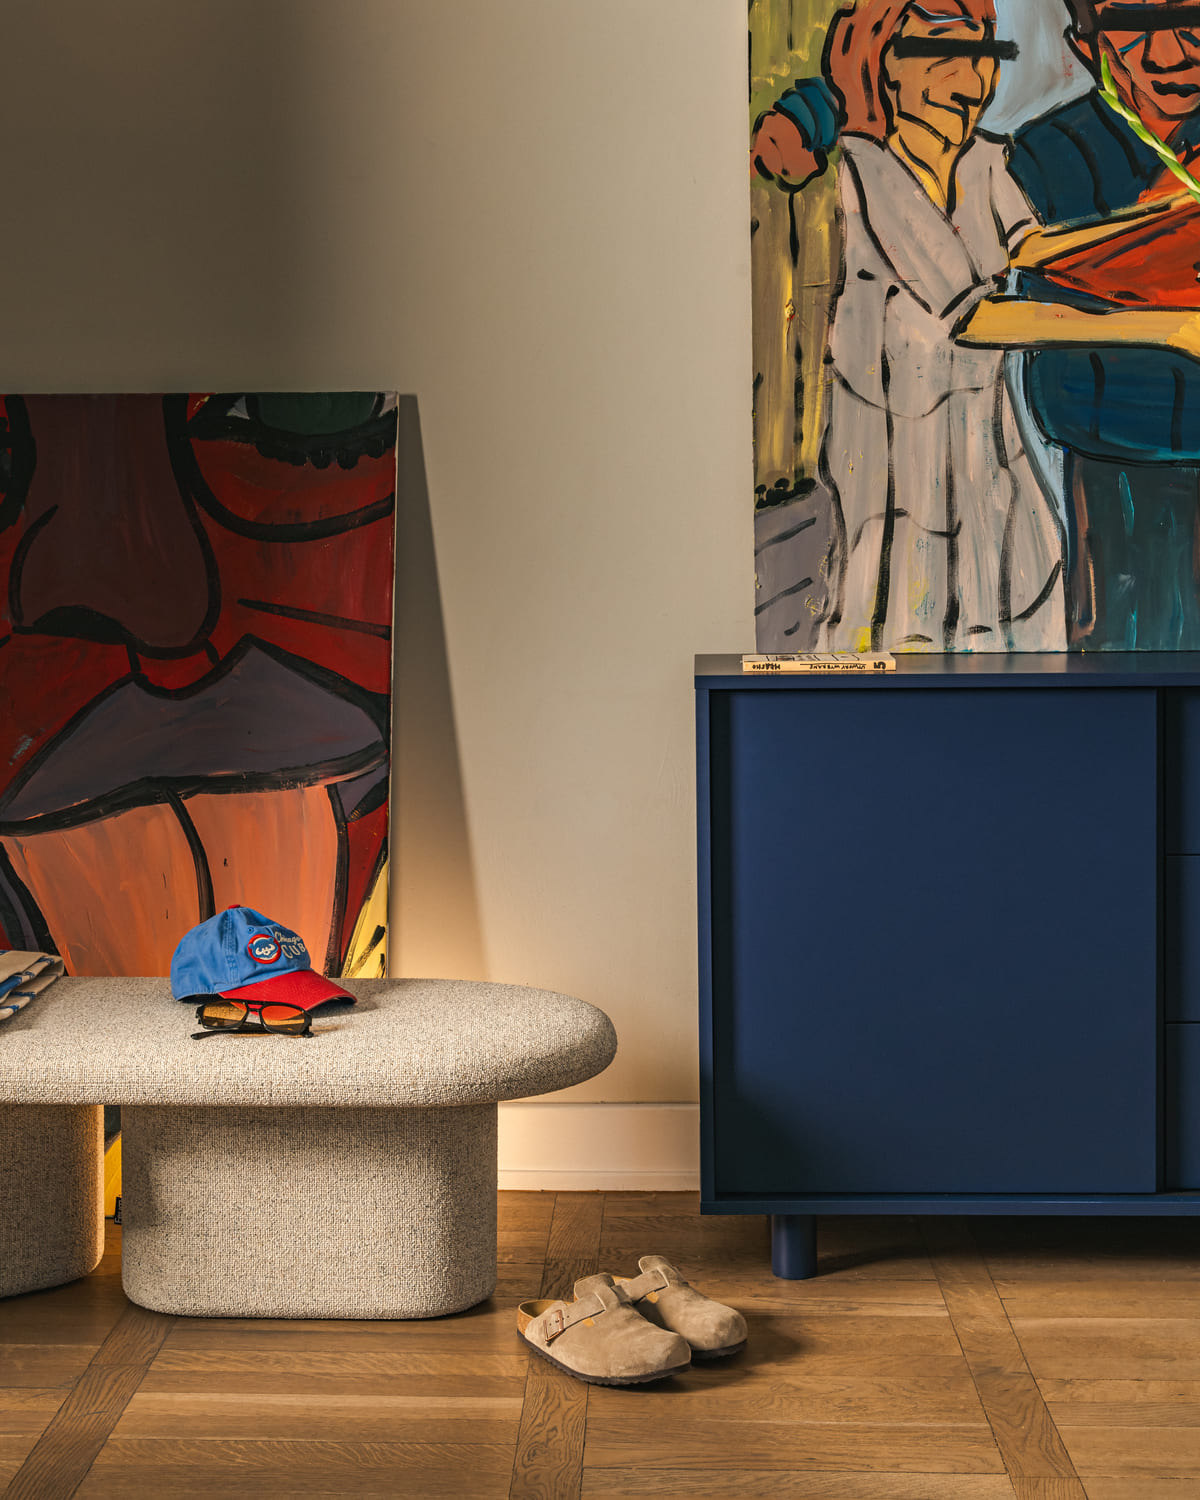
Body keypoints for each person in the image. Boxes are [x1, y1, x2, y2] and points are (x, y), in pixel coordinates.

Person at [754, 0, 1200, 648]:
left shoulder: (983, 160)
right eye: (944, 56)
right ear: (885, 62)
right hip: (905, 448)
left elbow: (1037, 248)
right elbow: (980, 315)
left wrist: (1166, 219)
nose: (971, 82)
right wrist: (1169, 329)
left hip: (987, 442)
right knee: (911, 607)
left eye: (983, 56)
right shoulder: (872, 172)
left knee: (1011, 593)